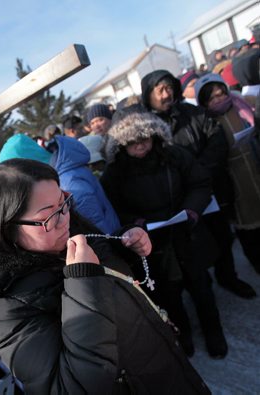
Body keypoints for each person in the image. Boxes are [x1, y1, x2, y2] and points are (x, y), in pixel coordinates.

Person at [0, 158, 210, 394]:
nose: (64, 218)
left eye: (64, 202)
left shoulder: (72, 230)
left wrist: (126, 245)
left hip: (165, 367)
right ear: (6, 227)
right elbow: (68, 387)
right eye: (49, 215)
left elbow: (113, 280)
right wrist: (83, 281)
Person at [101, 111, 228, 358]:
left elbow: (200, 182)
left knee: (202, 287)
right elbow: (113, 208)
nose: (140, 145)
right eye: (131, 142)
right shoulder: (114, 173)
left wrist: (192, 210)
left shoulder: (174, 155)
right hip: (151, 245)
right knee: (169, 296)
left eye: (145, 138)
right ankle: (184, 336)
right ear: (121, 145)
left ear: (155, 135)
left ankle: (214, 332)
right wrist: (133, 223)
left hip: (186, 233)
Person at [141, 69, 255, 298]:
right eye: (160, 89)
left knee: (222, 236)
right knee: (190, 249)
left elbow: (216, 138)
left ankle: (228, 277)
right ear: (148, 94)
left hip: (210, 189)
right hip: (178, 200)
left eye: (170, 87)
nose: (167, 94)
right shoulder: (146, 126)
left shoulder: (193, 113)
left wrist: (199, 171)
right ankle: (202, 292)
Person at [195, 73, 260, 274]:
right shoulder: (206, 121)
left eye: (221, 94)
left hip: (254, 163)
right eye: (212, 98)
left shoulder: (242, 104)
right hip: (233, 177)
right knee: (246, 226)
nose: (218, 100)